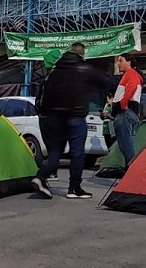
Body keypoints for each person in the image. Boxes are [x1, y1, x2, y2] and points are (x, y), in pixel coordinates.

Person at [31, 43, 110, 200]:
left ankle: (41, 176)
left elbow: (43, 96)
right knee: (77, 152)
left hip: (54, 118)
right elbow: (105, 82)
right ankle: (74, 188)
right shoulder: (85, 69)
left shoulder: (54, 71)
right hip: (75, 116)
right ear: (83, 54)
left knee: (55, 152)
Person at [105, 52, 143, 169]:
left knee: (125, 146)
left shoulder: (130, 74)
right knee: (127, 145)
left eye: (121, 61)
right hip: (127, 112)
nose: (118, 63)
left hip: (124, 113)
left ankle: (132, 173)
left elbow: (131, 88)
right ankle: (131, 173)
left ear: (129, 62)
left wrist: (123, 104)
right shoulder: (131, 74)